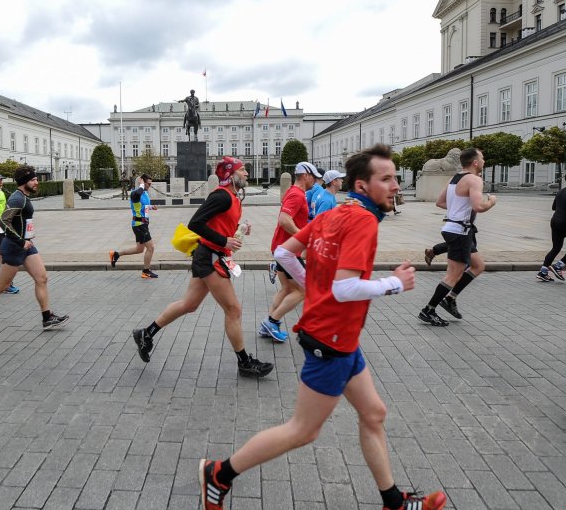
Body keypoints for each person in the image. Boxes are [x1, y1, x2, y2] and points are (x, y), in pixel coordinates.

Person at [198, 145, 446, 510]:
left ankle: (392, 501)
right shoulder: (361, 220)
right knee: (302, 430)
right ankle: (219, 474)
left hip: (340, 338)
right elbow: (346, 289)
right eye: (387, 179)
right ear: (362, 185)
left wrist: (314, 287)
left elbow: (284, 253)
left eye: (395, 177)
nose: (396, 185)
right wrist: (392, 284)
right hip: (331, 342)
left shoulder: (338, 212)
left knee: (373, 413)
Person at [132, 156, 273, 378]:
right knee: (233, 309)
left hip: (208, 255)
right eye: (242, 169)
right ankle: (244, 362)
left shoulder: (234, 197)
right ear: (231, 174)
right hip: (210, 257)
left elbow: (218, 223)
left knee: (189, 304)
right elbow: (195, 223)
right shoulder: (221, 196)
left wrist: (238, 228)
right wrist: (223, 241)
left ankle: (146, 334)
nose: (246, 173)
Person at [0, 166, 68, 334]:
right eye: (33, 180)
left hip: (26, 245)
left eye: (36, 179)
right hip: (14, 247)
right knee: (2, 285)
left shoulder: (24, 197)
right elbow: (4, 222)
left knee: (42, 278)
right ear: (24, 182)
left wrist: (26, 239)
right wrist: (21, 241)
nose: (37, 182)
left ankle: (47, 317)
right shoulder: (17, 198)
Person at [418, 148, 496, 326]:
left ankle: (450, 299)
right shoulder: (474, 180)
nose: (484, 161)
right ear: (475, 162)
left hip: (456, 228)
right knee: (453, 275)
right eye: (482, 158)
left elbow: (440, 202)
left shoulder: (455, 178)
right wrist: (492, 201)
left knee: (478, 265)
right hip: (460, 231)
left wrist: (456, 210)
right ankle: (428, 310)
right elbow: (479, 207)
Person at [260, 162, 321, 343]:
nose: (316, 181)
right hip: (287, 250)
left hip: (282, 248)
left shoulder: (296, 193)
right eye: (314, 177)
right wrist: (304, 238)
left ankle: (267, 325)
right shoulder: (296, 194)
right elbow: (284, 220)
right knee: (303, 290)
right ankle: (272, 321)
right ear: (305, 175)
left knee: (287, 288)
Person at [109, 173, 159, 278]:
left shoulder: (144, 193)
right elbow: (137, 196)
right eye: (148, 184)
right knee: (151, 247)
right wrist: (140, 184)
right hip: (139, 224)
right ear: (142, 182)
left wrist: (150, 207)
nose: (150, 186)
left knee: (139, 249)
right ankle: (146, 271)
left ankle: (116, 254)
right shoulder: (134, 193)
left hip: (143, 223)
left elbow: (142, 207)